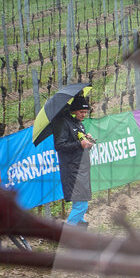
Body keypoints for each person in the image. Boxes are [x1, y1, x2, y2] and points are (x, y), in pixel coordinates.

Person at [52, 92, 95, 226]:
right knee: (81, 205)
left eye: (85, 112)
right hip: (72, 171)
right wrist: (79, 144)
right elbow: (59, 145)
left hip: (81, 169)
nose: (83, 115)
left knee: (81, 204)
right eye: (81, 111)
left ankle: (79, 237)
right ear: (74, 111)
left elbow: (82, 146)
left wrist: (88, 142)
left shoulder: (79, 124)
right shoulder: (64, 124)